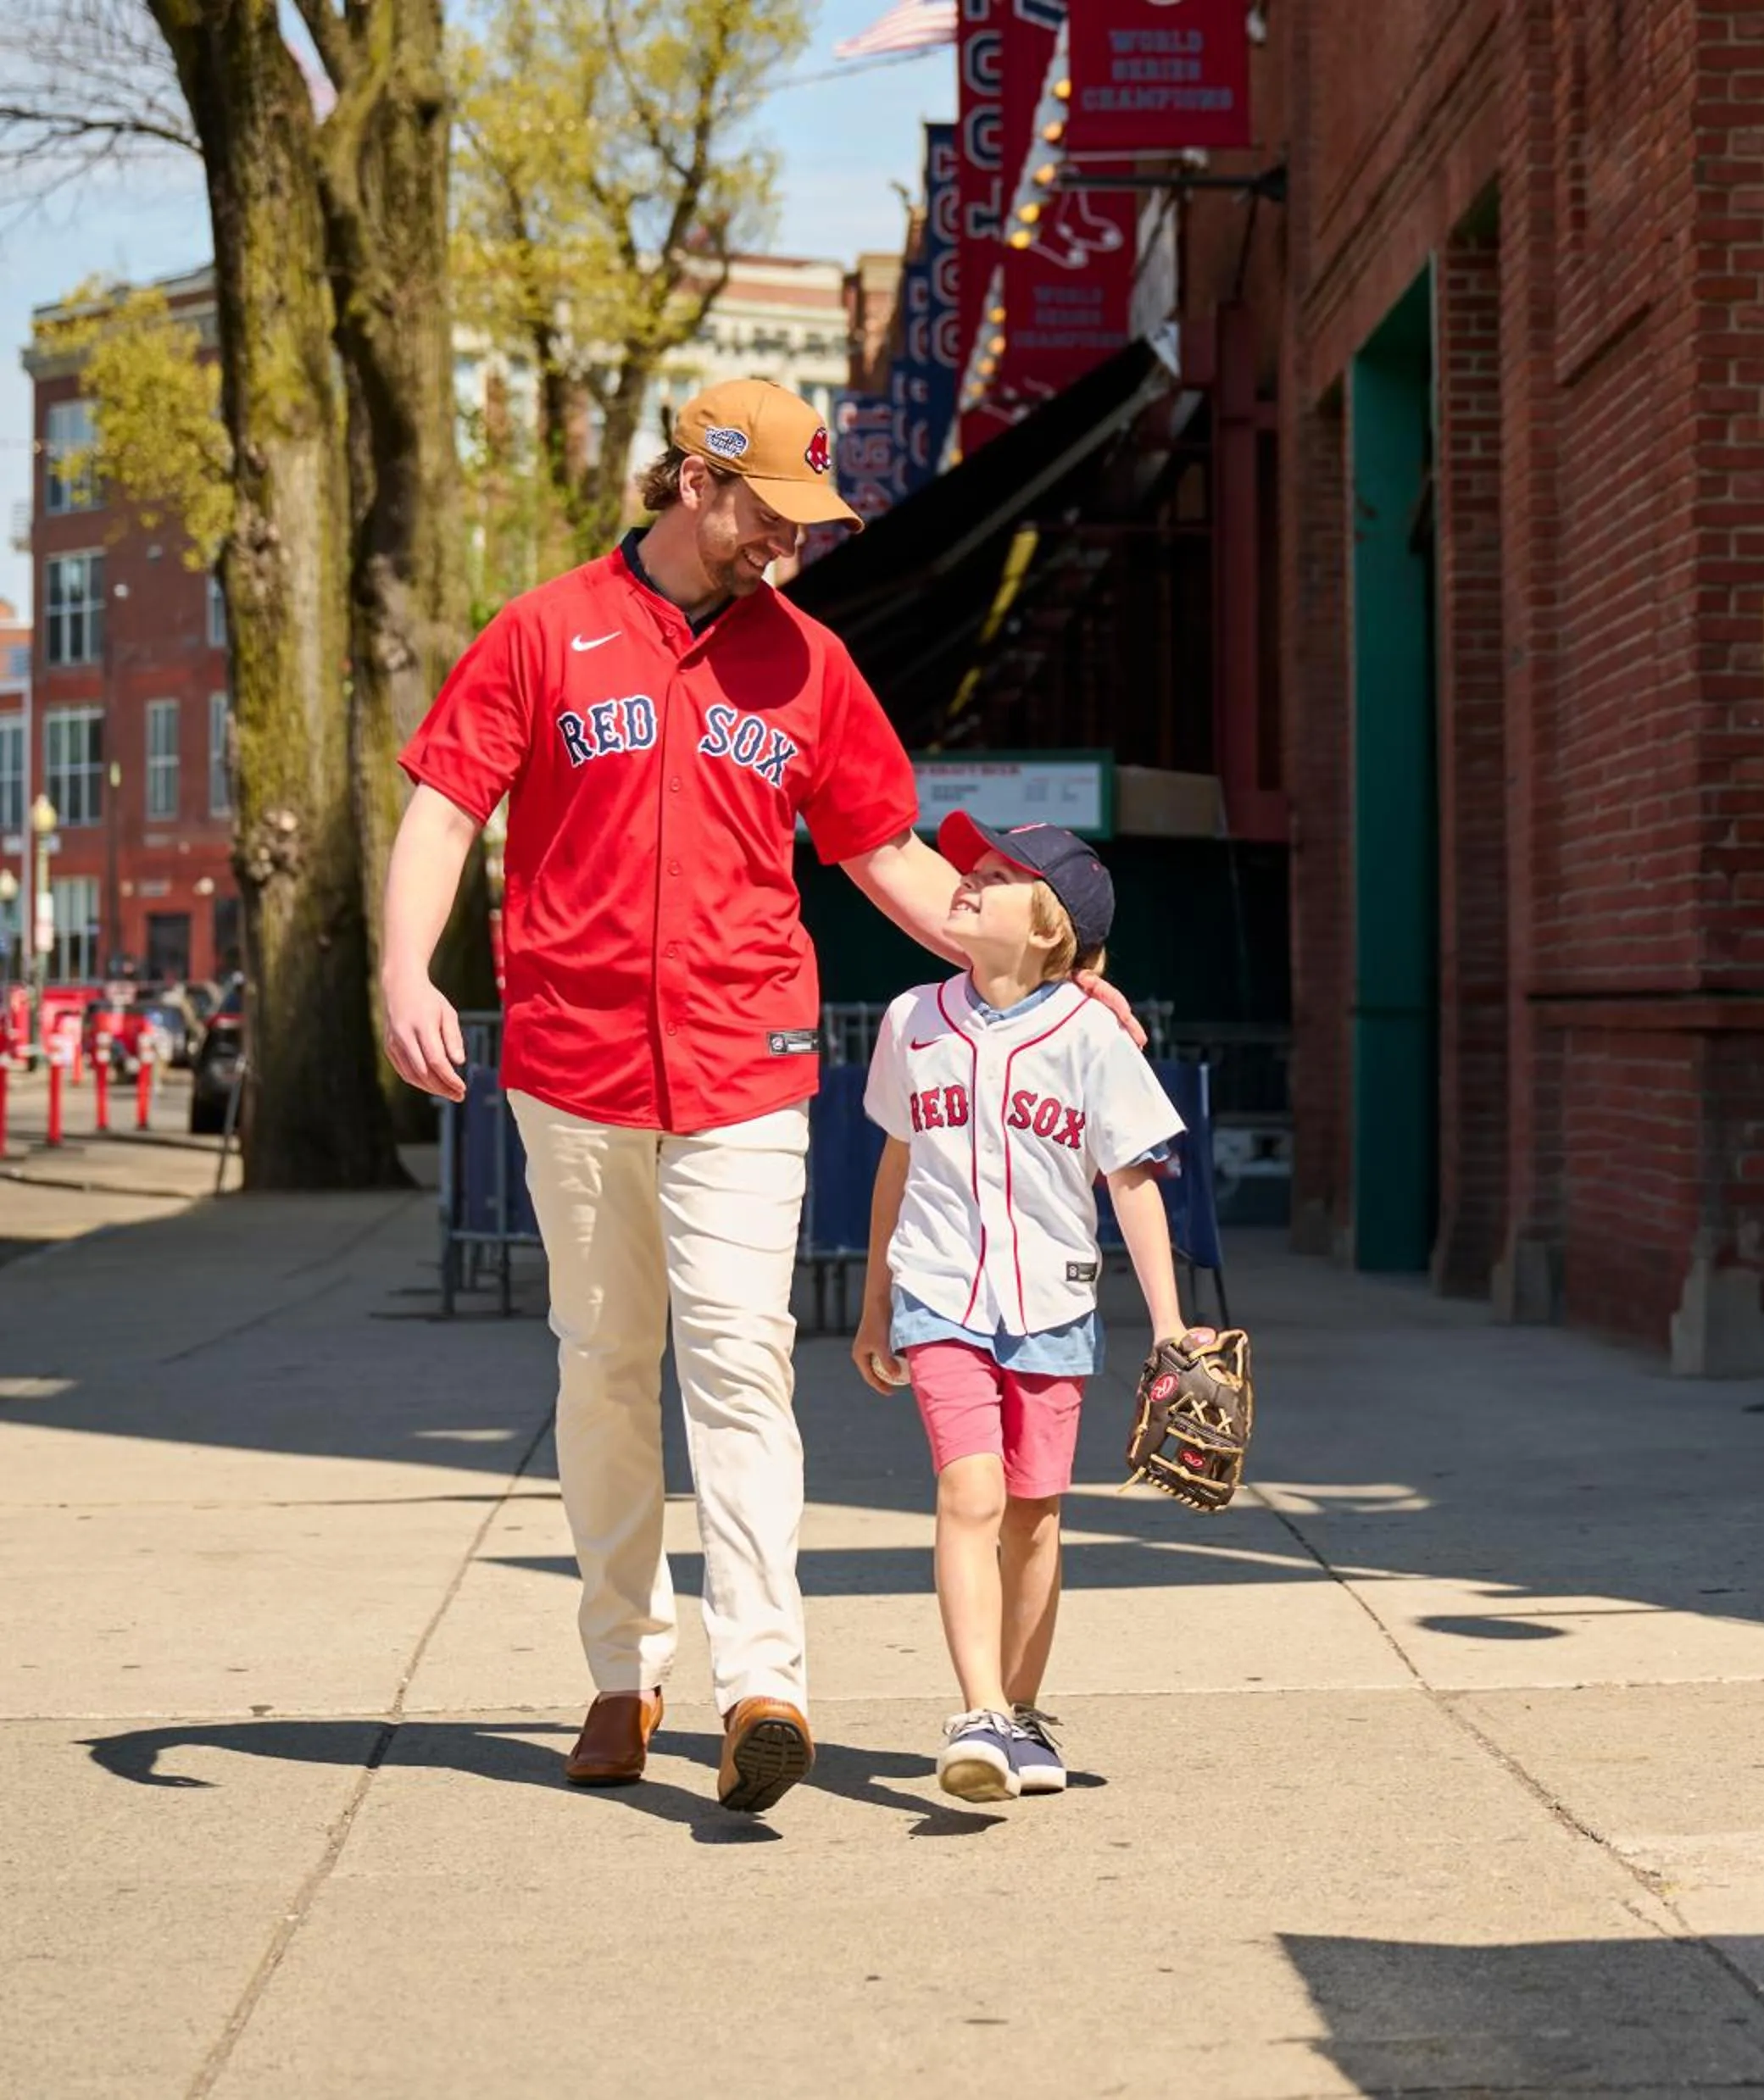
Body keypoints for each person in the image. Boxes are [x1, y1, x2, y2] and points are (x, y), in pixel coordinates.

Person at [376, 379, 1134, 1815]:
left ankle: (763, 1684)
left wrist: (1044, 971)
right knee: (602, 1363)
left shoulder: (811, 665)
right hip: (574, 1063)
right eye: (765, 518)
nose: (781, 549)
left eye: (802, 525)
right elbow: (444, 804)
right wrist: (404, 970)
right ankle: (623, 1665)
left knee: (736, 1359)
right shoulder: (543, 633)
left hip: (746, 1065)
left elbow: (891, 855)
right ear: (692, 484)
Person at [852, 814, 1206, 1803]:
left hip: (1051, 1303)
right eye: (971, 867)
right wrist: (877, 1300)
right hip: (938, 1296)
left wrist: (1171, 1327)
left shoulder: (1093, 1035)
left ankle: (1020, 1711)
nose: (966, 880)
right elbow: (896, 1160)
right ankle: (976, 1714)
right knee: (972, 1496)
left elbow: (1133, 1181)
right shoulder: (910, 1018)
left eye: (998, 876)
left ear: (1049, 925)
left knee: (1037, 1520)